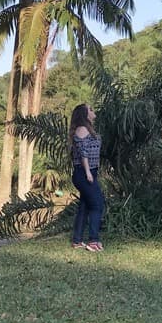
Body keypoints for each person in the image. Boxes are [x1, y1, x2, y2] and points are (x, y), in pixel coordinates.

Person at [69, 103, 105, 252]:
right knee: (98, 204)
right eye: (90, 109)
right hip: (84, 173)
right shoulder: (83, 129)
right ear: (84, 114)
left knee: (84, 206)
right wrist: (88, 172)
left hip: (88, 172)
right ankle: (93, 240)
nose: (93, 111)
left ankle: (77, 240)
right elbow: (83, 151)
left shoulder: (87, 129)